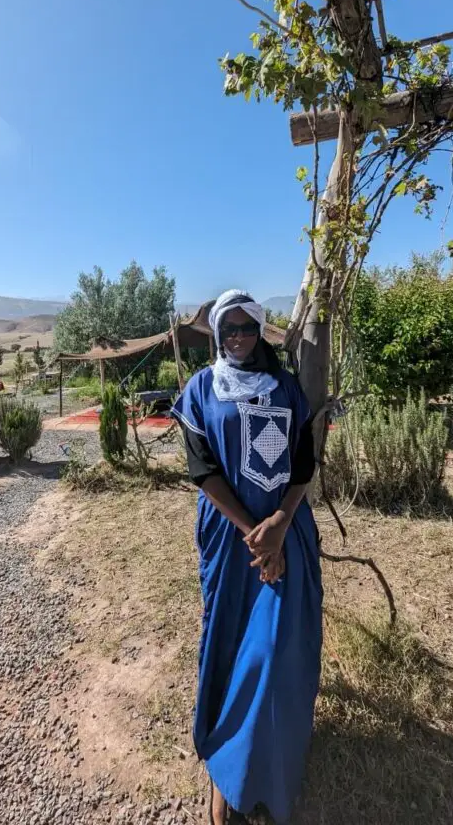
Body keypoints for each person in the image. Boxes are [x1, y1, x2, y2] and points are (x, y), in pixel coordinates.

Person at [172, 290, 323, 825]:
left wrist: (280, 524)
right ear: (216, 334)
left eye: (248, 328)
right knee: (233, 640)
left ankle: (253, 771)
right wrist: (255, 535)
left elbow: (305, 460)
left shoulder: (286, 388)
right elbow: (201, 469)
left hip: (288, 531)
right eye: (228, 329)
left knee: (275, 651)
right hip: (232, 538)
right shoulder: (200, 390)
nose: (238, 337)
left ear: (261, 331)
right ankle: (230, 769)